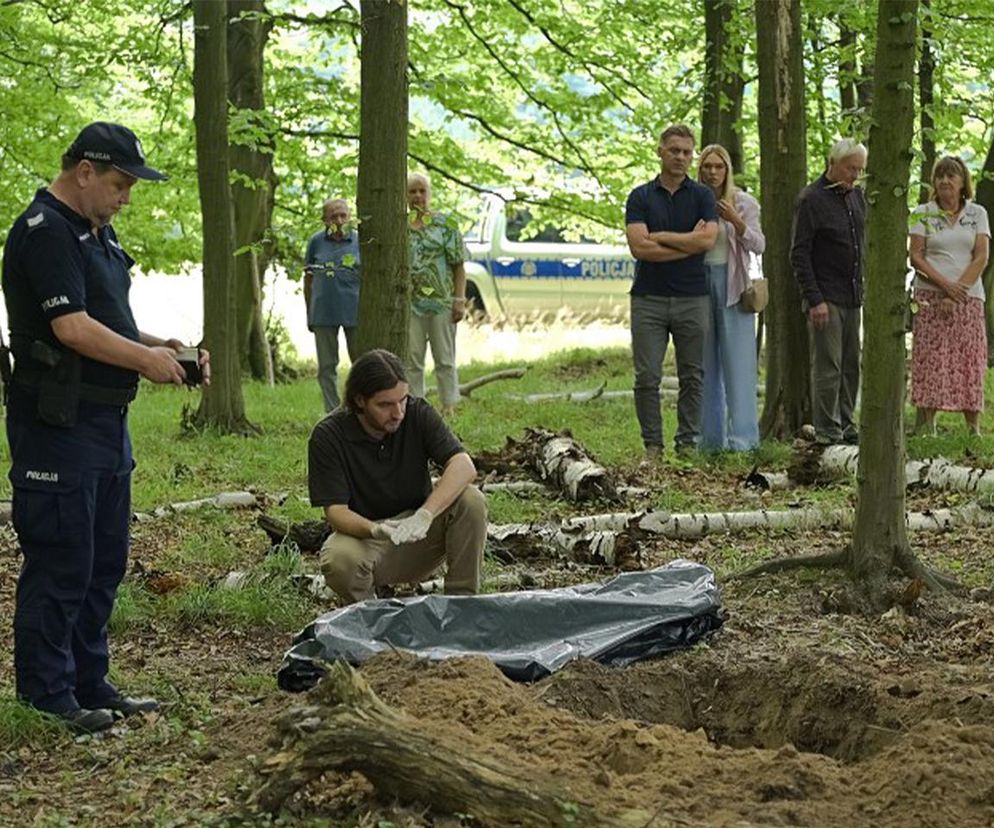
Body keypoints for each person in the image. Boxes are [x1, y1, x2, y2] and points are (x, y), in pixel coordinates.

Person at [2, 121, 211, 734]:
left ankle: (90, 682)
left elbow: (108, 320)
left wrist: (162, 345)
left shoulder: (97, 234)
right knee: (63, 557)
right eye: (120, 183)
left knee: (103, 560)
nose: (126, 196)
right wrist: (146, 362)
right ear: (84, 171)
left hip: (103, 422)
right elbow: (70, 327)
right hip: (55, 423)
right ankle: (47, 697)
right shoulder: (44, 234)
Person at [308, 349, 486, 605]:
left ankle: (462, 605)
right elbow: (335, 511)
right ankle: (368, 616)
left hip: (421, 532)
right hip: (369, 540)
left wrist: (425, 514)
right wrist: (375, 529)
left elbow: (463, 465)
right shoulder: (328, 436)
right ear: (360, 401)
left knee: (471, 499)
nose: (398, 413)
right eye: (385, 405)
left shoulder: (417, 413)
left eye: (402, 400)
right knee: (339, 557)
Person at [624, 124, 719, 458]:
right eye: (674, 150)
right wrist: (687, 244)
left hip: (693, 297)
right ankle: (653, 446)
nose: (681, 157)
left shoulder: (703, 196)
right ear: (660, 151)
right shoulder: (640, 196)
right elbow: (639, 248)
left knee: (692, 375)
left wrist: (660, 236)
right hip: (648, 298)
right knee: (647, 377)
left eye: (686, 152)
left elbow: (707, 241)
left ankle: (687, 444)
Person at [791, 138, 867, 445]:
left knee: (851, 364)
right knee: (829, 366)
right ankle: (828, 430)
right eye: (851, 168)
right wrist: (814, 298)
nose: (855, 175)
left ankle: (848, 424)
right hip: (826, 297)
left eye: (859, 170)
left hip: (853, 295)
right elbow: (799, 253)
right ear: (833, 164)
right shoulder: (811, 199)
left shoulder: (857, 197)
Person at [909, 155, 991, 435]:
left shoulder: (977, 214)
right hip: (930, 296)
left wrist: (958, 291)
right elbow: (916, 256)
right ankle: (929, 426)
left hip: (969, 297)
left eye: (951, 176)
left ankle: (973, 428)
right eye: (940, 176)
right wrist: (945, 286)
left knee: (969, 358)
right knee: (932, 358)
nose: (945, 181)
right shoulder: (923, 212)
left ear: (962, 182)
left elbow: (981, 256)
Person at [696, 144, 765, 451]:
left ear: (727, 170)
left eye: (718, 166)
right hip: (698, 285)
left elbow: (758, 244)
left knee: (739, 365)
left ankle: (743, 440)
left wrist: (736, 221)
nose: (712, 172)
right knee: (705, 365)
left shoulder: (743, 202)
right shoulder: (693, 200)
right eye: (707, 166)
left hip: (734, 284)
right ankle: (709, 441)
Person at [406, 172, 469, 417]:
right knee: (412, 360)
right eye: (412, 191)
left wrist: (459, 300)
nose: (418, 196)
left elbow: (459, 265)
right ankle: (414, 408)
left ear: (429, 194)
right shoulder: (400, 228)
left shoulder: (446, 225)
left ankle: (449, 406)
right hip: (411, 303)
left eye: (422, 191)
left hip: (442, 302)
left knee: (444, 358)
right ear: (405, 196)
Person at [304, 198, 361, 412]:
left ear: (349, 217)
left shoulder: (360, 241)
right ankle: (333, 411)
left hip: (355, 312)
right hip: (323, 312)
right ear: (324, 220)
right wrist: (309, 311)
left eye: (343, 215)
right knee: (327, 367)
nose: (339, 220)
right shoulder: (315, 242)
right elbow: (308, 280)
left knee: (361, 363)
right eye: (333, 216)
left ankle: (357, 407)